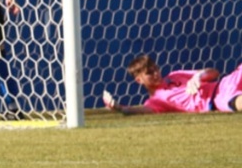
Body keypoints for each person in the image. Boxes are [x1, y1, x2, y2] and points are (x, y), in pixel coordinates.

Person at [103, 54, 242, 114]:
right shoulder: (156, 101)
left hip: (225, 83)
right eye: (150, 73)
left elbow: (215, 72)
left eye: (156, 69)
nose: (156, 73)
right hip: (217, 100)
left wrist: (199, 75)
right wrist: (119, 108)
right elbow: (137, 111)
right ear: (139, 80)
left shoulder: (174, 75)